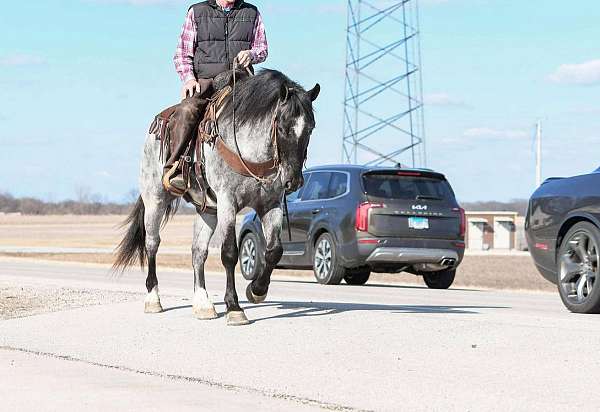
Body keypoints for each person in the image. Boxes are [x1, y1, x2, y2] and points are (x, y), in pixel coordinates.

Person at [164, 0, 268, 195]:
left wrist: (252, 54)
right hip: (206, 80)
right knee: (187, 110)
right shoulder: (197, 11)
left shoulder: (251, 12)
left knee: (272, 110)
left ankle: (275, 170)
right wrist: (188, 79)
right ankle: (176, 167)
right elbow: (182, 54)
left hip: (241, 81)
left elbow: (262, 48)